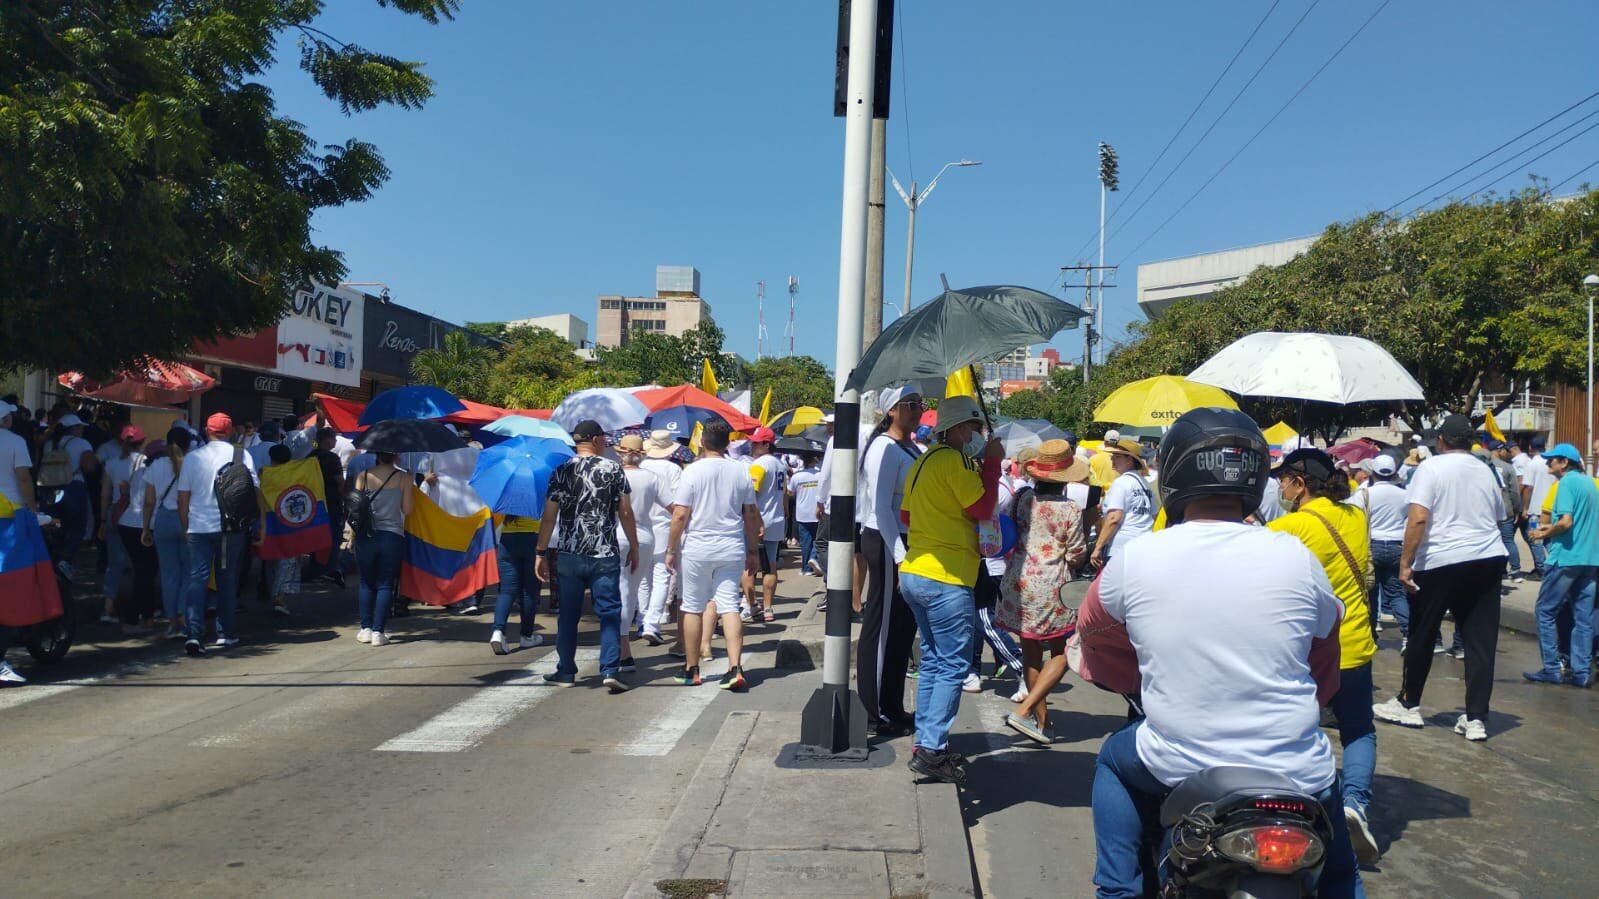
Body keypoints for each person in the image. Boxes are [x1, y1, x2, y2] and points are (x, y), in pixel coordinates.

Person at [1076, 408, 1362, 898]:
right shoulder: (1296, 557)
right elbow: (1325, 659)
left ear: (1174, 474)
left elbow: (1092, 632)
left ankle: (1119, 891)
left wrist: (1130, 677)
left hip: (1176, 760)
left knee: (1112, 761)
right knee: (1342, 879)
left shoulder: (1137, 558)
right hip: (1295, 769)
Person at [1268, 447, 1382, 863]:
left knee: (1294, 729)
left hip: (1308, 649)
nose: (1278, 485)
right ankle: (1354, 804)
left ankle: (1294, 809)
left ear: (1300, 484)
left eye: (1283, 479)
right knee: (1358, 730)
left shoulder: (1290, 526)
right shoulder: (1356, 516)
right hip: (1354, 645)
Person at [1374, 414, 1507, 742]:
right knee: (1480, 642)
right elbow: (1500, 515)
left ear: (1443, 441)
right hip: (1487, 558)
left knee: (1423, 631)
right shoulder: (1485, 469)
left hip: (1441, 560)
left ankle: (1408, 702)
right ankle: (1476, 718)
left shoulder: (1430, 468)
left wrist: (1407, 563)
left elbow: (1418, 519)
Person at [898, 395, 1003, 785]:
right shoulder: (956, 460)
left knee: (934, 661)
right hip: (947, 576)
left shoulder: (923, 459)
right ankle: (931, 748)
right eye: (976, 429)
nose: (978, 435)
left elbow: (907, 515)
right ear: (960, 429)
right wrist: (992, 462)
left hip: (915, 571)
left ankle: (926, 742)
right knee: (955, 664)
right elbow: (983, 507)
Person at [996, 440, 1088, 745]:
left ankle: (1042, 722)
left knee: (1031, 653)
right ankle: (1025, 712)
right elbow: (1076, 554)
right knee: (1065, 650)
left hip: (1019, 582)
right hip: (1053, 586)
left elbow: (1008, 530)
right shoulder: (1070, 509)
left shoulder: (1022, 499)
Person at [535, 420, 638, 693]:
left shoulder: (561, 471)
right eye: (603, 438)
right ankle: (609, 669)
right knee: (609, 612)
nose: (606, 443)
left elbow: (548, 517)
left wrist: (541, 551)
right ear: (593, 439)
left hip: (569, 553)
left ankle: (566, 670)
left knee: (568, 615)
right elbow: (625, 512)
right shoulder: (613, 469)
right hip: (604, 553)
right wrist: (635, 545)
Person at [666, 421, 759, 690]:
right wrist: (753, 550)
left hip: (698, 545)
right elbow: (750, 513)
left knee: (693, 605)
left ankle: (691, 668)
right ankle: (734, 667)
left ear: (702, 442)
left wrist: (671, 548)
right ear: (728, 443)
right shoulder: (741, 470)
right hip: (731, 544)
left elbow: (680, 513)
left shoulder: (692, 472)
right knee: (730, 605)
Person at [858, 387, 924, 736]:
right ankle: (871, 711)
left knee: (902, 629)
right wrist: (899, 553)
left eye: (920, 404)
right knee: (881, 628)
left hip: (906, 541)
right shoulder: (883, 447)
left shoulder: (910, 447)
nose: (918, 410)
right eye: (911, 405)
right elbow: (881, 505)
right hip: (886, 540)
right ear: (893, 410)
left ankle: (892, 704)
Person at [176, 413, 258, 656]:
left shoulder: (192, 458)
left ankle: (193, 634)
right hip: (229, 529)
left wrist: (185, 526)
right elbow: (253, 491)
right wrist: (259, 524)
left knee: (197, 579)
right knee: (226, 579)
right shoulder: (242, 454)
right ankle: (225, 633)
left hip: (198, 528)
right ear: (231, 431)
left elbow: (183, 498)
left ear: (206, 430)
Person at [1522, 443, 1596, 688]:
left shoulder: (1565, 484)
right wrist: (1550, 528)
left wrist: (1544, 533)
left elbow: (1565, 523)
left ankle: (1552, 668)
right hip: (1591, 559)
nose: (1547, 464)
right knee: (1583, 617)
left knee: (1545, 611)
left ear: (1564, 462)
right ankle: (1582, 672)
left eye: (1552, 460)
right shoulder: (1590, 484)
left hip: (1566, 557)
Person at [615, 434, 671, 668]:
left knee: (620, 590)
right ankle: (622, 643)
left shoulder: (613, 474)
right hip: (645, 536)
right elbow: (673, 506)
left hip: (615, 534)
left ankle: (621, 644)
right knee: (631, 589)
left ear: (621, 453)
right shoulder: (651, 478)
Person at [349, 452, 414, 647]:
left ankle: (365, 629)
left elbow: (354, 507)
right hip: (392, 535)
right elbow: (408, 509)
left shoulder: (363, 475)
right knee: (386, 583)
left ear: (376, 455)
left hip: (365, 536)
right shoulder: (404, 477)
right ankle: (379, 631)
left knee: (366, 582)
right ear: (395, 456)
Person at [1351, 454, 1410, 648]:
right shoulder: (1404, 494)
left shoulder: (1364, 494)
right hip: (1397, 547)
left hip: (1371, 547)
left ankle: (1370, 637)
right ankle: (1409, 634)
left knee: (1369, 594)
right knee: (1396, 594)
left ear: (1373, 473)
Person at [141, 428, 193, 639]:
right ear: (188, 445)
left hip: (162, 520)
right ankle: (184, 617)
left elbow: (149, 501)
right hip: (187, 519)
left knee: (169, 575)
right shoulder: (193, 464)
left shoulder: (156, 465)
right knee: (189, 573)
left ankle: (172, 623)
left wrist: (145, 528)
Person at [101, 425, 147, 631]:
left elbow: (105, 494)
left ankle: (108, 606)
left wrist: (102, 520)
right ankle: (141, 607)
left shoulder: (111, 463)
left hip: (114, 513)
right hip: (135, 515)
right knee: (140, 564)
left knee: (115, 562)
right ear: (142, 442)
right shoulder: (145, 463)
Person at [639, 430, 684, 645]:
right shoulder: (673, 469)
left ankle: (643, 618)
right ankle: (652, 622)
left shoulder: (640, 467)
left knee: (642, 578)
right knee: (662, 576)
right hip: (666, 527)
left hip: (640, 527)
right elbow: (678, 503)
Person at [1089, 438, 1155, 569]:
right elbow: (1154, 514)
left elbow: (1114, 518)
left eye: (1117, 456)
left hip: (1121, 547)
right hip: (1143, 544)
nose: (1112, 459)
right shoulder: (1146, 484)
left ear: (1129, 460)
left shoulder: (1121, 483)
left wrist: (1098, 547)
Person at [745, 426, 787, 623]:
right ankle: (768, 608)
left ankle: (751, 606)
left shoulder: (759, 465)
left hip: (757, 520)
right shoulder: (780, 465)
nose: (752, 446)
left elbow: (751, 495)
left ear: (766, 444)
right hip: (776, 519)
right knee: (770, 565)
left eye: (756, 442)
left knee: (749, 566)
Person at [310, 428, 347, 587]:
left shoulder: (310, 457)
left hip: (314, 504)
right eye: (333, 439)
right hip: (331, 503)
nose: (335, 442)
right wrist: (345, 499)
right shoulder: (332, 458)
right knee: (334, 538)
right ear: (327, 439)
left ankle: (316, 569)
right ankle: (329, 570)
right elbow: (339, 482)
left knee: (315, 538)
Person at [1521, 435, 1556, 579]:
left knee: (1535, 539)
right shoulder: (1551, 462)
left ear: (1530, 447)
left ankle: (1541, 569)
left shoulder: (1532, 464)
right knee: (1549, 539)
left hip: (1536, 509)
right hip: (1552, 507)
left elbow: (1528, 488)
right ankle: (1554, 564)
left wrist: (1525, 508)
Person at [787, 453, 823, 577]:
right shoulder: (820, 475)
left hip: (802, 513)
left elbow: (790, 493)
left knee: (805, 542)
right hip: (818, 512)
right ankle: (814, 558)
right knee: (818, 540)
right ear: (815, 460)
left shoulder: (797, 476)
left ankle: (806, 568)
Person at [0, 400, 35, 512]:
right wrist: (32, 508)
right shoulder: (16, 441)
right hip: (11, 505)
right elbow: (24, 478)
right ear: (5, 419)